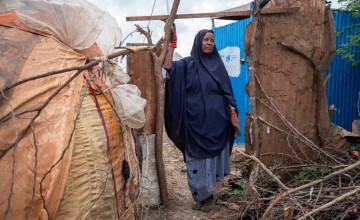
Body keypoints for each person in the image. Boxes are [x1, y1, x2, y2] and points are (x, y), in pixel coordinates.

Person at [163, 27, 241, 212]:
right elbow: (167, 66)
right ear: (198, 42)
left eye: (212, 40)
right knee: (195, 161)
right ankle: (202, 195)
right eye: (206, 40)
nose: (209, 43)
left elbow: (227, 93)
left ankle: (210, 197)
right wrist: (172, 45)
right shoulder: (187, 64)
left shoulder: (218, 65)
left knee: (213, 162)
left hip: (217, 124)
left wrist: (232, 112)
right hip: (194, 125)